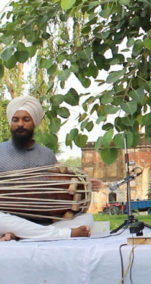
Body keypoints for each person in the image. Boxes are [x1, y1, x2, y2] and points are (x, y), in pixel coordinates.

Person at [0, 95, 96, 241]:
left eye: (26, 119)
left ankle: (23, 236)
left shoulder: (47, 154)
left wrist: (84, 185)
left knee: (87, 219)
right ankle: (59, 235)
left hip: (42, 221)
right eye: (15, 119)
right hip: (9, 219)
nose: (20, 124)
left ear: (34, 123)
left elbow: (62, 187)